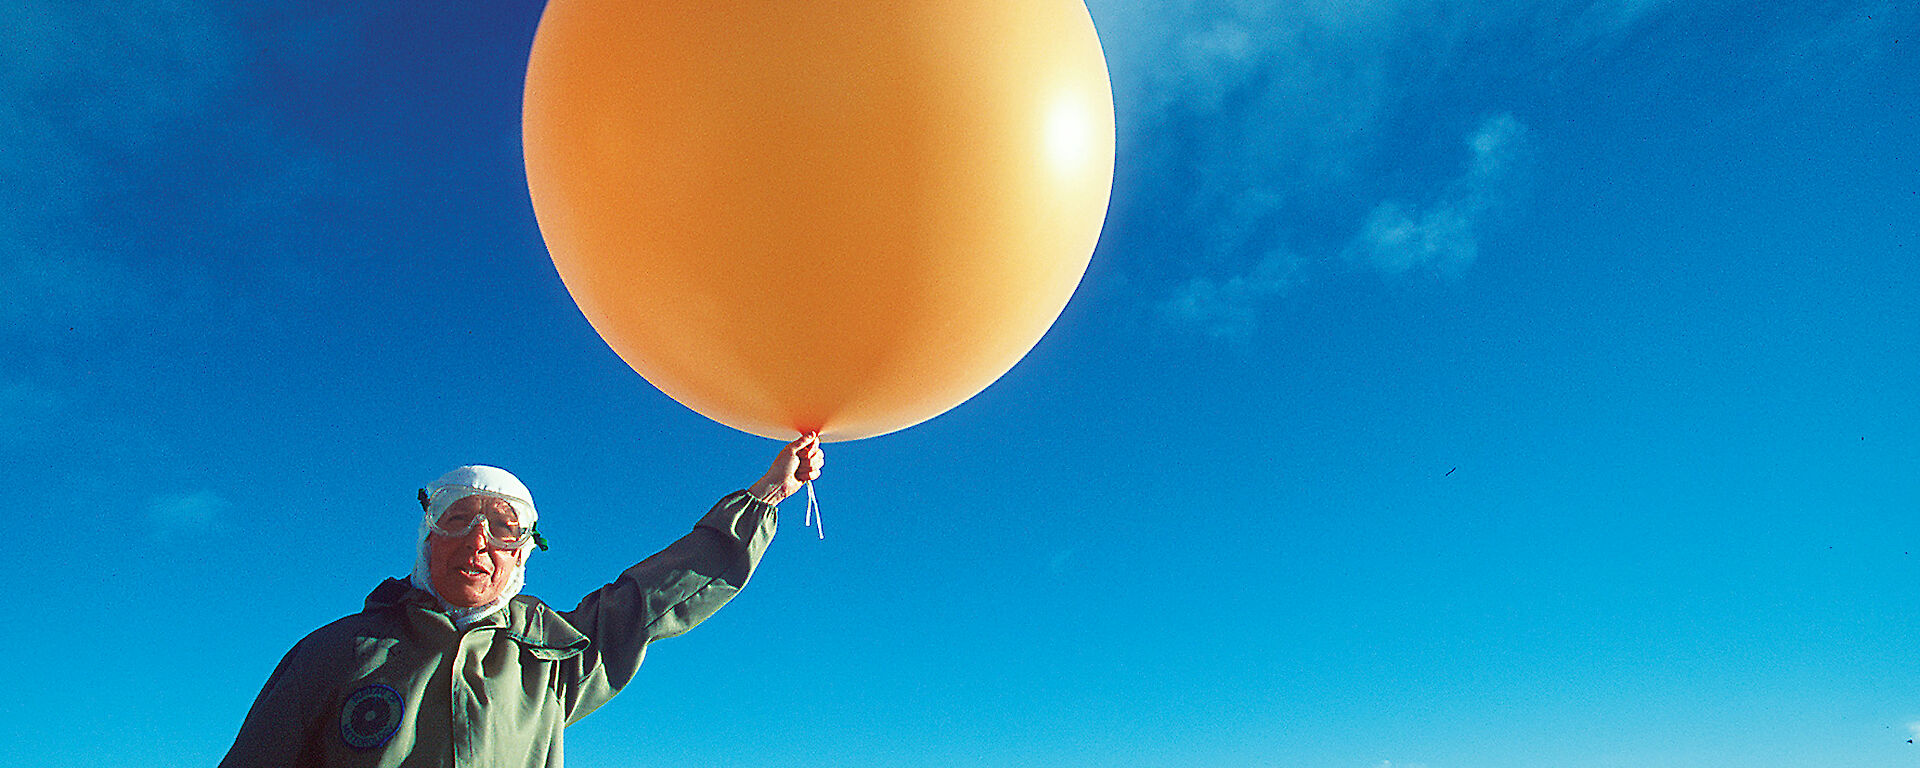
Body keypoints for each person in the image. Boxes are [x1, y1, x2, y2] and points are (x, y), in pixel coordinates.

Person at [218, 435, 823, 767]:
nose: (478, 541)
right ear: (427, 540)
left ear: (523, 551)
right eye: (458, 519)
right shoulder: (337, 651)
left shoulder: (551, 659)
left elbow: (653, 595)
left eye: (503, 528)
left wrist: (765, 494)